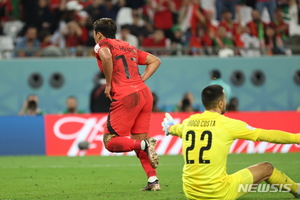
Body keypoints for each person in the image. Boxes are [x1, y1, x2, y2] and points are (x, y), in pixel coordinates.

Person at [161, 84, 300, 200]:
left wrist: (169, 128)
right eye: (225, 100)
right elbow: (266, 135)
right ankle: (297, 189)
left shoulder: (188, 122)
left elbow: (175, 129)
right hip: (217, 193)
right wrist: (296, 138)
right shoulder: (228, 124)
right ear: (221, 103)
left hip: (191, 192)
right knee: (267, 168)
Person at [92, 18, 161, 191]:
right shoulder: (128, 46)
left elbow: (106, 57)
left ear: (98, 34)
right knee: (137, 141)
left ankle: (146, 145)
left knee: (111, 141)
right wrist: (140, 81)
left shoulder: (101, 45)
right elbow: (155, 61)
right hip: (144, 94)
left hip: (126, 96)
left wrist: (108, 84)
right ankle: (153, 181)